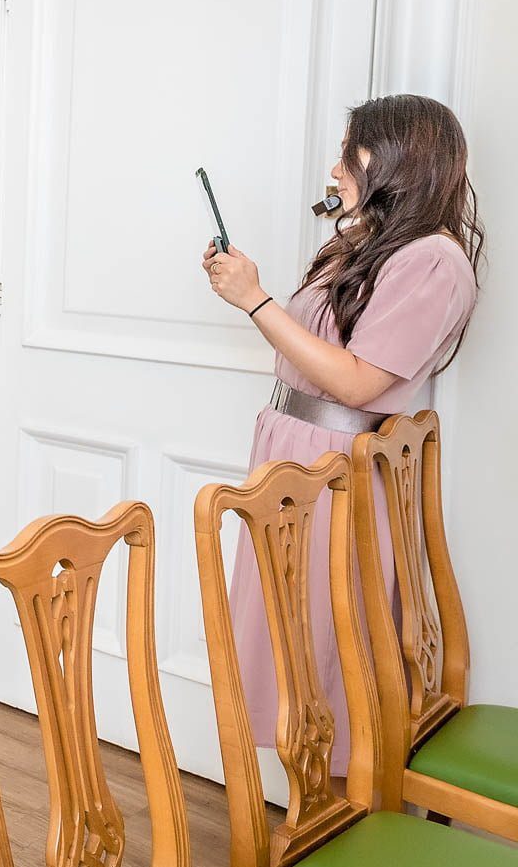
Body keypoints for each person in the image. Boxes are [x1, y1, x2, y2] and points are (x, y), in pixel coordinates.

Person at [202, 94, 482, 774]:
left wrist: (254, 299)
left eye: (348, 153)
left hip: (333, 466)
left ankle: (334, 816)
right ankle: (307, 810)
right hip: (294, 453)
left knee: (325, 635)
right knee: (286, 628)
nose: (334, 169)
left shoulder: (434, 260)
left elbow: (359, 383)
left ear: (393, 161)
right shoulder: (372, 240)